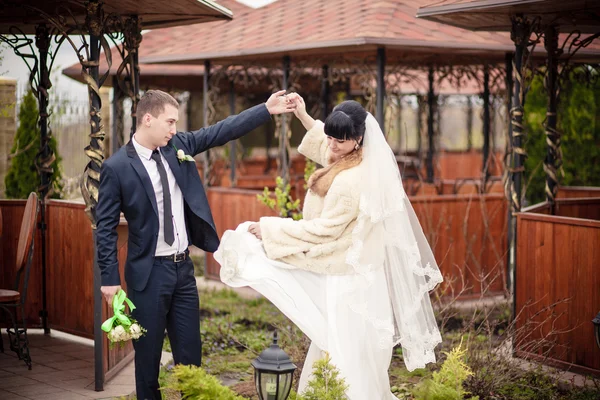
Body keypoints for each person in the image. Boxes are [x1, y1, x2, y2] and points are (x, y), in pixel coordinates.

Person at [215, 95, 443, 399]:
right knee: (338, 347)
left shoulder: (352, 181)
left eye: (339, 141)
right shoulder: (357, 159)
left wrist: (271, 228)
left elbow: (324, 230)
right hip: (358, 273)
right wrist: (303, 116)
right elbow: (326, 146)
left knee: (344, 351)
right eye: (331, 138)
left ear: (358, 139)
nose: (332, 146)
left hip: (349, 281)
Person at [95, 89, 295, 400]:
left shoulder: (179, 146)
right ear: (148, 119)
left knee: (191, 359)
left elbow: (220, 131)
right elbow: (104, 227)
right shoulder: (117, 167)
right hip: (147, 278)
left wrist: (265, 110)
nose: (174, 129)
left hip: (183, 272)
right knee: (147, 364)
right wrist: (109, 279)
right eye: (169, 122)